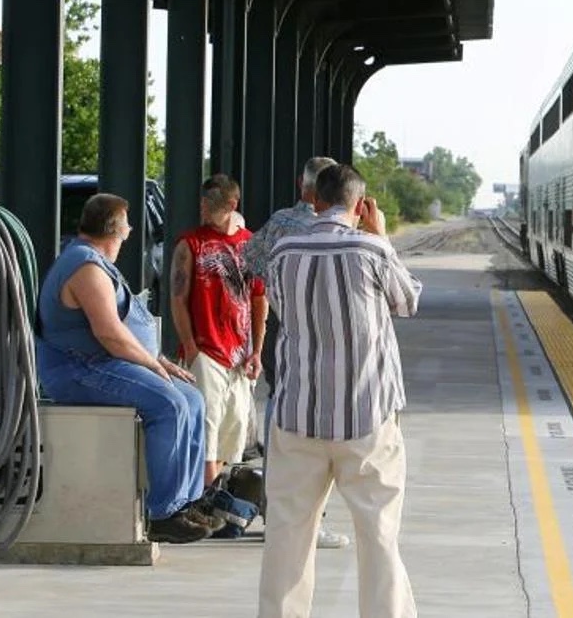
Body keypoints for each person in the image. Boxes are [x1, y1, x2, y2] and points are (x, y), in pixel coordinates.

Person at [258, 164, 422, 618]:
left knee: (288, 535)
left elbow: (280, 307)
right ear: (360, 205)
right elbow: (407, 301)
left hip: (297, 416)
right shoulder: (372, 250)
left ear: (314, 200)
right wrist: (382, 236)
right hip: (366, 416)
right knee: (378, 534)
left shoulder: (283, 251)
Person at [34, 193, 217, 544]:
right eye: (128, 224)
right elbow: (108, 334)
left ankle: (186, 502)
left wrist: (158, 360)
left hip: (104, 362)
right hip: (80, 369)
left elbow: (121, 334)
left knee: (192, 399)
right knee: (169, 404)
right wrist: (151, 363)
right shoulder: (85, 268)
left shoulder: (93, 261)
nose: (131, 231)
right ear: (115, 230)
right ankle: (164, 512)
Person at [243, 155, 350, 550]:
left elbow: (250, 261)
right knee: (317, 430)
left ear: (301, 184)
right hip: (324, 337)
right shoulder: (335, 228)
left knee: (279, 412)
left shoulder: (281, 221)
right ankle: (310, 522)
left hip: (282, 331)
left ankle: (277, 514)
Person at [170, 174, 267, 489]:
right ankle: (207, 499)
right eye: (201, 202)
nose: (203, 209)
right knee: (207, 428)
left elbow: (258, 299)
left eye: (210, 204)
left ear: (231, 204)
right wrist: (190, 346)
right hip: (205, 350)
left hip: (238, 354)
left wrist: (256, 350)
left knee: (233, 431)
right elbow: (178, 299)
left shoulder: (250, 245)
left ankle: (210, 492)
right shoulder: (190, 244)